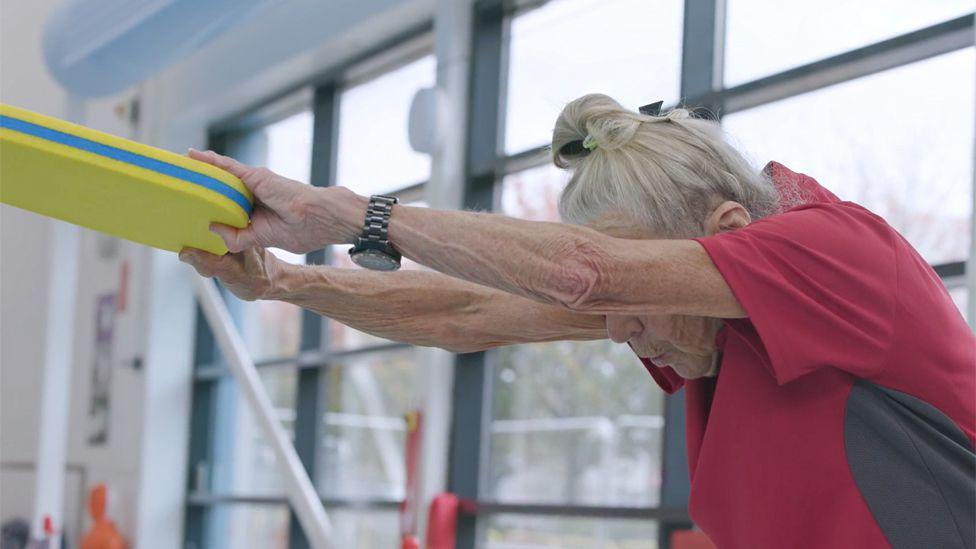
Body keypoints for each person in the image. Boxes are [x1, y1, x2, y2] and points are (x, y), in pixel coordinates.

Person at [180, 94, 975, 548]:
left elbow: (582, 272)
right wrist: (284, 282)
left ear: (730, 228)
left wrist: (355, 215)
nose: (621, 331)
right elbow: (465, 310)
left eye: (630, 292)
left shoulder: (836, 256)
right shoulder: (719, 322)